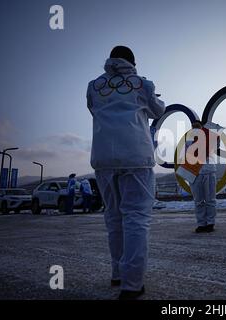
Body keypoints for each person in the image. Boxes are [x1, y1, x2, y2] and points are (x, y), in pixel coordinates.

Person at [86, 45, 165, 300]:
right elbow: (158, 112)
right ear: (133, 62)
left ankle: (118, 273)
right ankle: (132, 284)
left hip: (104, 159)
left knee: (114, 218)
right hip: (136, 159)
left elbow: (94, 110)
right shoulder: (143, 84)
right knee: (136, 218)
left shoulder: (94, 85)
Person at [188, 121, 219, 233]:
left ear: (201, 127)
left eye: (197, 126)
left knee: (210, 199)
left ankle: (210, 223)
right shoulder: (189, 139)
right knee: (198, 201)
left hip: (209, 170)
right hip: (195, 172)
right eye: (193, 126)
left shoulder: (209, 138)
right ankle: (201, 224)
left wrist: (215, 136)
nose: (195, 127)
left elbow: (216, 146)